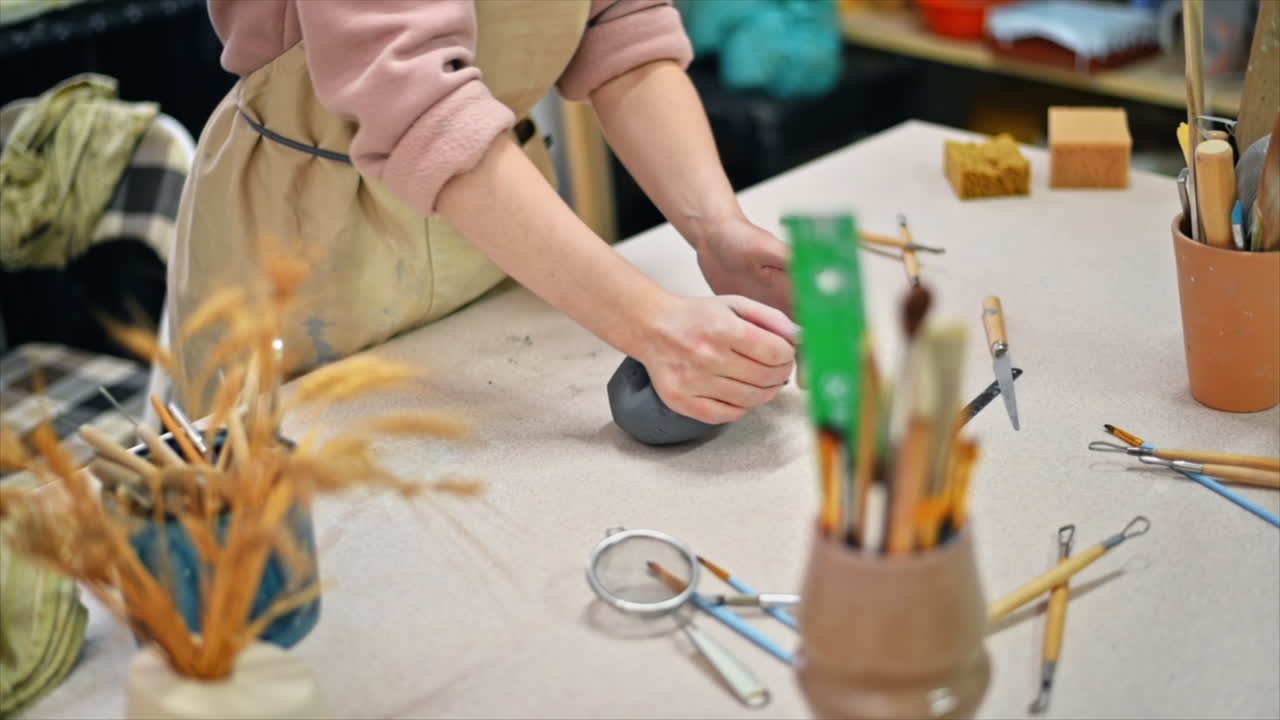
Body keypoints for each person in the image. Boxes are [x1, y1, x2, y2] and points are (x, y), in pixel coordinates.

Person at [166, 0, 798, 426]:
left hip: (495, 227)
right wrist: (653, 324)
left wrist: (716, 229)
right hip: (308, 246)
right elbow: (420, 106)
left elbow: (621, 26)